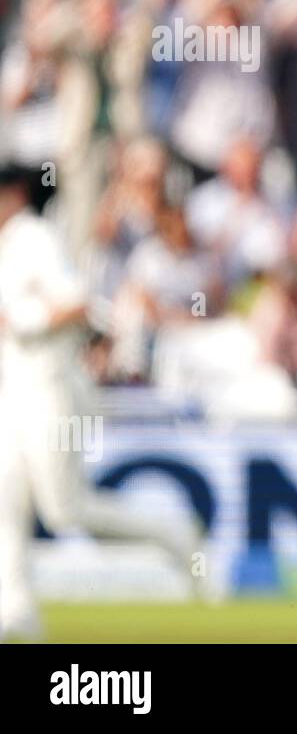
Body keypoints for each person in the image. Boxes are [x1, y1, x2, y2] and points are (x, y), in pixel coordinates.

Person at [0, 165, 204, 640]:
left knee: (65, 512)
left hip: (51, 388)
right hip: (14, 389)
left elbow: (77, 301)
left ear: (13, 194)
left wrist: (21, 318)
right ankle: (15, 609)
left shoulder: (34, 235)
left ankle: (175, 534)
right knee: (4, 495)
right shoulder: (10, 242)